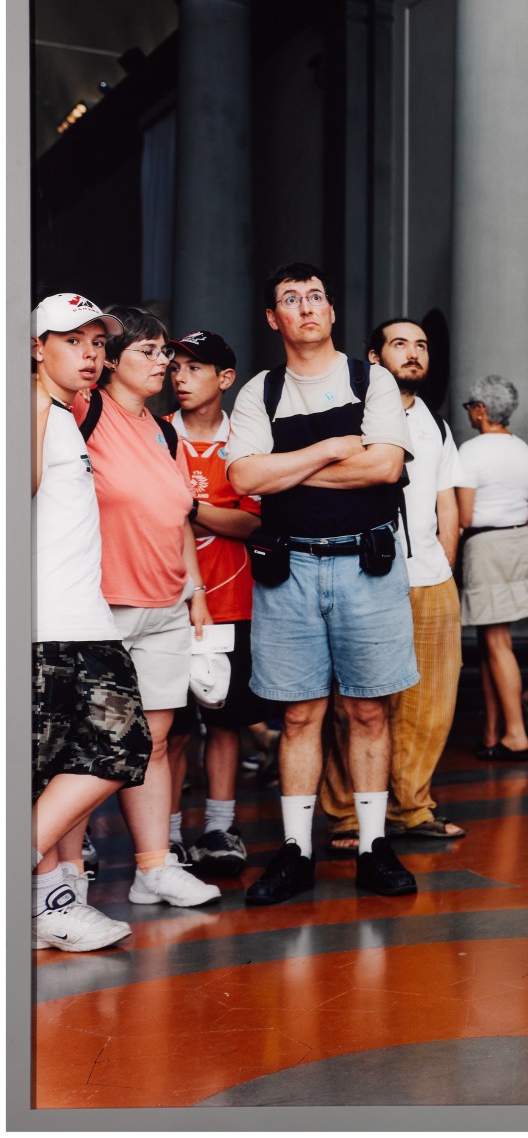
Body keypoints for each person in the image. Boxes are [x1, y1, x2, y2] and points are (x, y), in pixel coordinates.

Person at [227, 263, 420, 904]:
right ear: (273, 318)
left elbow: (387, 464)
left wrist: (284, 469)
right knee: (299, 713)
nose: (306, 307)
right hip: (290, 567)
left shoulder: (374, 380)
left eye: (316, 297)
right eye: (291, 299)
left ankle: (371, 847)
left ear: (332, 311)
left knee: (368, 709)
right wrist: (335, 447)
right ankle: (296, 852)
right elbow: (245, 482)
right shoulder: (262, 390)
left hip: (368, 564)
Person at [73, 305, 222, 909]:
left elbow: (179, 518)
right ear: (110, 359)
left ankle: (152, 867)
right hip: (102, 607)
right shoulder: (84, 413)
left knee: (155, 743)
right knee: (88, 746)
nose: (164, 363)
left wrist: (196, 595)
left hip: (165, 606)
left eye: (166, 353)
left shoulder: (165, 431)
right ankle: (60, 875)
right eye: (150, 352)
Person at [318, 318, 469, 851]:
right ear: (375, 358)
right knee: (355, 701)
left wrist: (444, 562)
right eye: (400, 344)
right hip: (364, 575)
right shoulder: (351, 419)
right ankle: (347, 815)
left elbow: (446, 500)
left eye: (422, 345)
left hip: (430, 578)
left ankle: (411, 806)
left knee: (430, 703)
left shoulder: (437, 424)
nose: (414, 353)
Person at [31, 294, 151, 950]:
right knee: (119, 745)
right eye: (73, 340)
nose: (91, 354)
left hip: (78, 618)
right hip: (51, 625)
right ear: (35, 346)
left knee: (70, 762)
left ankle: (42, 898)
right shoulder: (30, 407)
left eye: (97, 342)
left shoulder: (63, 414)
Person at [167, 331, 266, 879]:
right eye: (175, 366)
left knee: (226, 722)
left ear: (225, 379)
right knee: (173, 727)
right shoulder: (157, 435)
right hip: (168, 605)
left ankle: (220, 827)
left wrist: (186, 505)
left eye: (194, 368)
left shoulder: (245, 441)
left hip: (234, 602)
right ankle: (169, 833)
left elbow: (251, 522)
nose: (180, 376)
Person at [456, 375, 528, 762]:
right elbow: (527, 507)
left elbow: (462, 513)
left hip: (487, 543)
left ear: (480, 409)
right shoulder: (523, 449)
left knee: (496, 644)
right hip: (518, 540)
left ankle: (515, 733)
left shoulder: (472, 451)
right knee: (496, 642)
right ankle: (494, 730)